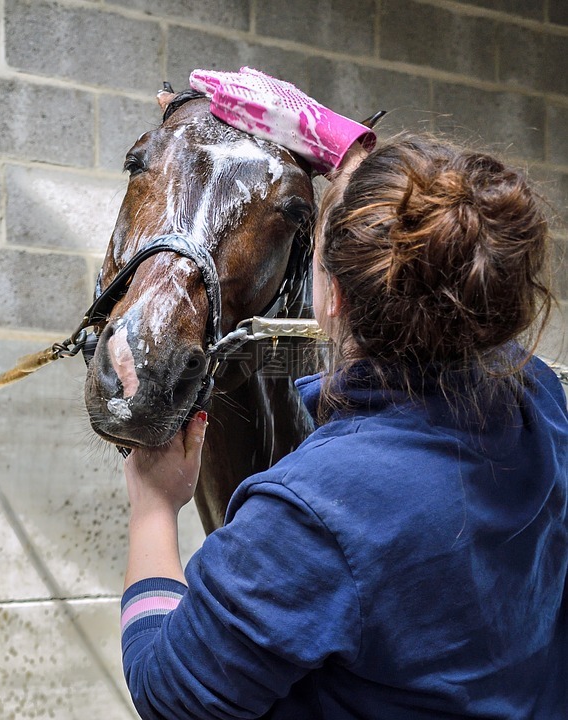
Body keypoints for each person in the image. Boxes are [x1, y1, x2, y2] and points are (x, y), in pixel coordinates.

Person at [120, 69, 568, 719]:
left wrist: (153, 509)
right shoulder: (537, 398)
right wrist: (353, 153)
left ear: (331, 299)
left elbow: (170, 696)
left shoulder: (314, 512)